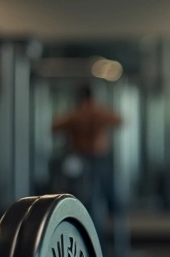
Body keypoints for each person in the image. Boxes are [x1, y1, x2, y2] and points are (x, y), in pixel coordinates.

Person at [51, 83, 123, 219]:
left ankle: (114, 216)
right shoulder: (77, 115)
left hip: (98, 158)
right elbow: (54, 127)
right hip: (82, 160)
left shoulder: (96, 113)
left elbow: (119, 120)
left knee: (107, 196)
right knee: (87, 197)